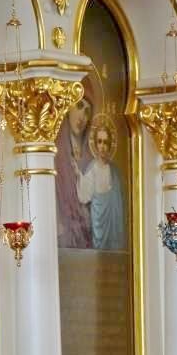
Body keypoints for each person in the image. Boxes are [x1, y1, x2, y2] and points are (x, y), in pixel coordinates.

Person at [77, 115, 125, 250]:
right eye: (99, 142)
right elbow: (85, 196)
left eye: (106, 142)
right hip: (97, 222)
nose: (102, 146)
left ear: (110, 145)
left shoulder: (114, 172)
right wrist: (78, 175)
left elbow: (119, 204)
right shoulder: (92, 169)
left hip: (113, 227)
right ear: (95, 144)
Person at [56, 95, 95, 249]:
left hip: (85, 232)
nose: (82, 117)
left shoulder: (91, 155)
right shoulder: (57, 153)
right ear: (68, 108)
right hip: (63, 231)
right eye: (79, 106)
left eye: (87, 112)